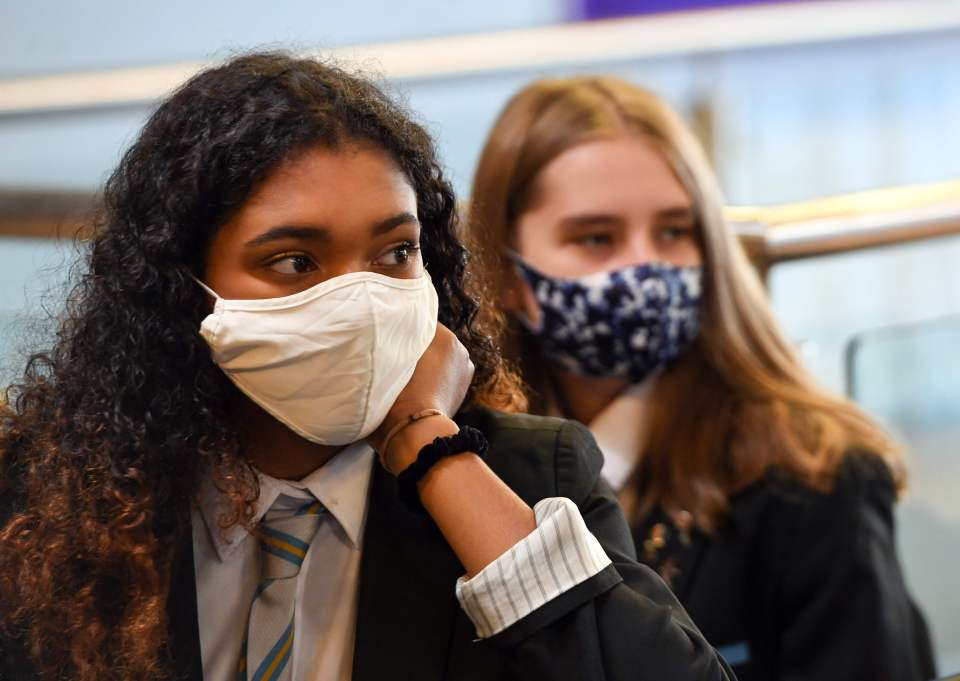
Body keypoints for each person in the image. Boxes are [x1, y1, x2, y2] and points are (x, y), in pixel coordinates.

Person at [0, 54, 734, 681]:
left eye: (395, 253)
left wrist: (428, 445)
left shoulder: (530, 477)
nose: (362, 298)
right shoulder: (48, 495)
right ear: (178, 287)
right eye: (294, 262)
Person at [465, 76, 936, 681]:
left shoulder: (810, 476)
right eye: (596, 238)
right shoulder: (477, 467)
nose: (645, 268)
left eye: (674, 231)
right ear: (507, 274)